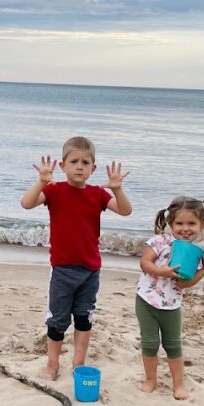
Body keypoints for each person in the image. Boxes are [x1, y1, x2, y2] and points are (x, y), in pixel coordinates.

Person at [20, 137, 132, 380]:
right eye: (74, 161)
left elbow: (125, 211)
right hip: (61, 270)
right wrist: (40, 181)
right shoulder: (54, 190)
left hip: (90, 271)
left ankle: (78, 362)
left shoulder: (98, 194)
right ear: (62, 166)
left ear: (93, 168)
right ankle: (52, 364)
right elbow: (26, 203)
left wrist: (118, 189)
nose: (79, 166)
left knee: (84, 318)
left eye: (85, 162)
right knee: (57, 321)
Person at [136, 196, 204, 400]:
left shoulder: (194, 253)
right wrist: (162, 272)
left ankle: (178, 385)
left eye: (192, 223)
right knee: (150, 343)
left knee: (173, 344)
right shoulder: (160, 241)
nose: (185, 228)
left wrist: (203, 271)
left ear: (202, 226)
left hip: (171, 305)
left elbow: (183, 283)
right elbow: (145, 263)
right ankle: (151, 380)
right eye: (179, 223)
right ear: (171, 224)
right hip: (146, 301)